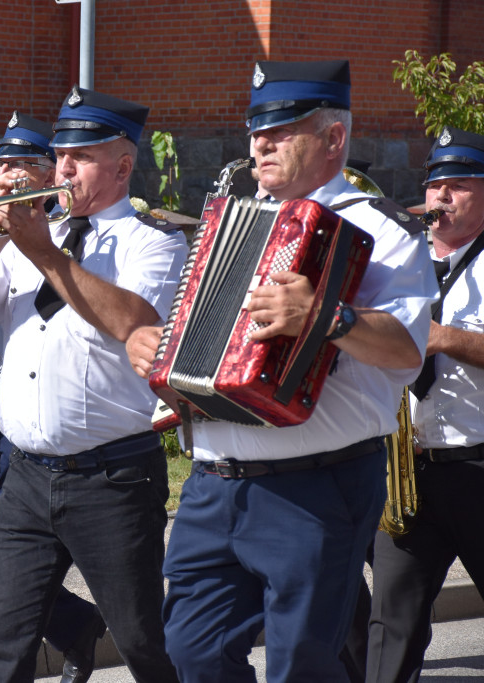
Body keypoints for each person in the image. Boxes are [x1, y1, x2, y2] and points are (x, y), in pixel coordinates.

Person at [126, 59, 437, 683]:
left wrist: (326, 316)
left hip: (316, 486)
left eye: (284, 130)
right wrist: (151, 344)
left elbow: (407, 350)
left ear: (334, 139)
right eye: (256, 129)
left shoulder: (382, 229)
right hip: (214, 482)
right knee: (192, 651)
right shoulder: (226, 221)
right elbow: (195, 331)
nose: (261, 143)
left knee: (301, 665)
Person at [0, 86, 186, 683]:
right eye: (61, 154)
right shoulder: (25, 241)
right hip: (25, 476)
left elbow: (133, 323)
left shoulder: (153, 242)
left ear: (122, 166)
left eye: (82, 156)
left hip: (114, 476)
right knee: (3, 650)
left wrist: (44, 252)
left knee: (143, 644)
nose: (64, 168)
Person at [0, 111, 105, 682]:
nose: (6, 174)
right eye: (1, 165)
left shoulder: (63, 237)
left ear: (49, 173)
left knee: (8, 548)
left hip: (32, 411)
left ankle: (55, 633)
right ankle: (76, 623)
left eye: (20, 165)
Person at [365, 125, 484, 683]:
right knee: (390, 629)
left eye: (458, 185)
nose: (441, 197)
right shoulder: (399, 261)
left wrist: (440, 337)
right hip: (407, 473)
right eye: (436, 184)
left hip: (479, 465)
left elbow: (432, 339)